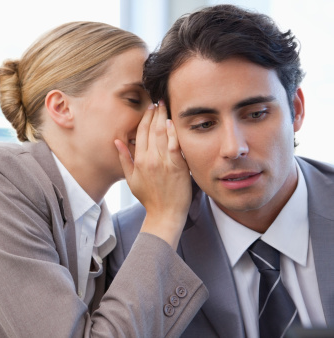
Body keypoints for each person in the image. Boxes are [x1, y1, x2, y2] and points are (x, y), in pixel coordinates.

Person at [0, 21, 208, 337]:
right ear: (62, 107)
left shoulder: (100, 230)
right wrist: (165, 217)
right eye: (134, 99)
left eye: (155, 104)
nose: (156, 119)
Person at [109, 4, 334, 338]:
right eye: (203, 124)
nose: (233, 148)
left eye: (256, 114)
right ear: (168, 132)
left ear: (296, 109)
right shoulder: (132, 245)